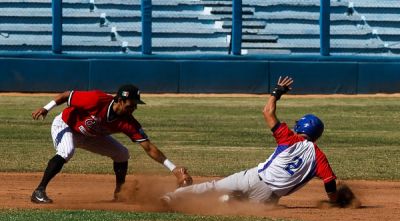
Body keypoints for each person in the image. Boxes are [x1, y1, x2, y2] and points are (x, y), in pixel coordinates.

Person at [162, 76, 339, 206]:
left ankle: (171, 197)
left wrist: (277, 92)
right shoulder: (319, 157)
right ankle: (228, 201)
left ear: (302, 128)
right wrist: (336, 200)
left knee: (212, 187)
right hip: (268, 196)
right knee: (243, 206)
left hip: (253, 178)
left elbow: (267, 112)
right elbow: (329, 183)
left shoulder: (289, 138)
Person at [31, 84, 192, 204]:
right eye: (131, 104)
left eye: (136, 105)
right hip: (66, 125)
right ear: (120, 101)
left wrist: (173, 168)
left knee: (122, 154)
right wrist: (46, 108)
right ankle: (39, 191)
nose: (134, 108)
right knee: (67, 151)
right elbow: (66, 95)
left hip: (91, 135)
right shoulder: (96, 99)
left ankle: (119, 193)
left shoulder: (128, 122)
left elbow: (148, 147)